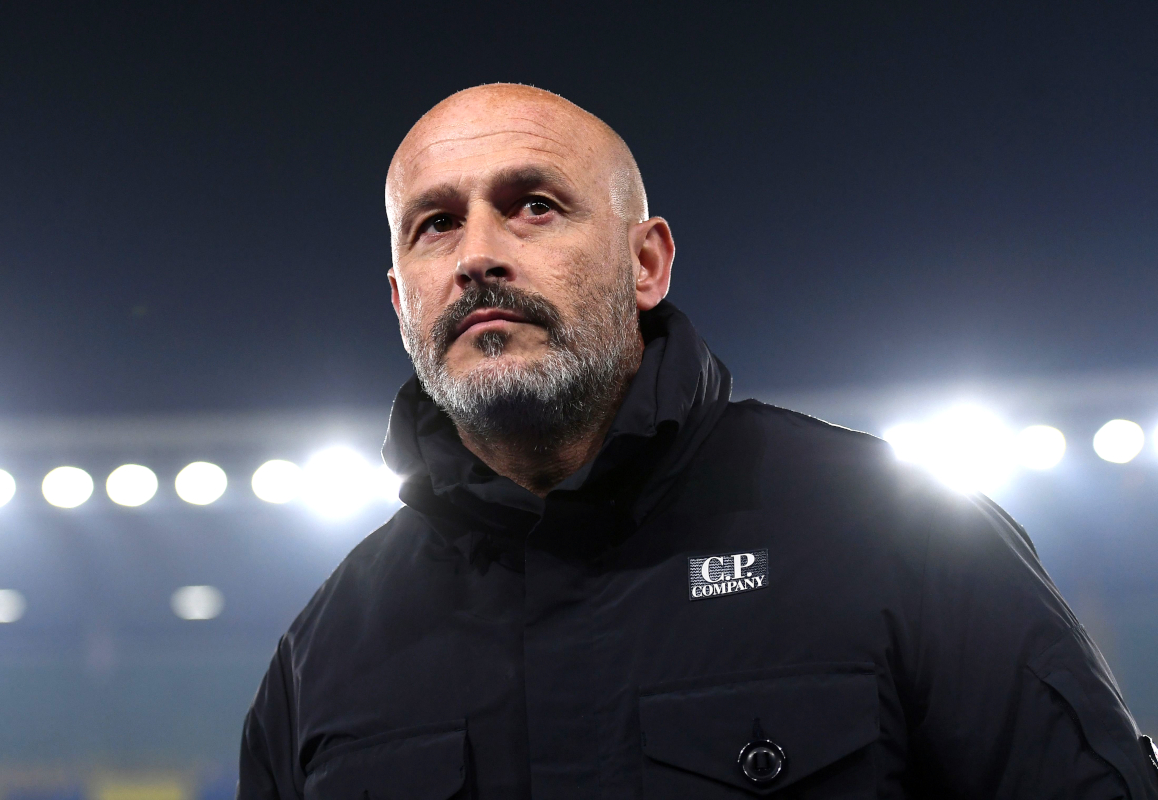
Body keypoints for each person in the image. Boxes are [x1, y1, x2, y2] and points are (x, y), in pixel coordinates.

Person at [238, 84, 1158, 799]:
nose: (478, 252)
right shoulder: (322, 654)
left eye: (533, 206)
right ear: (403, 301)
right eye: (435, 224)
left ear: (647, 264)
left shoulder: (897, 536)